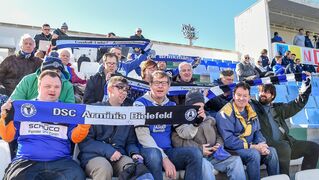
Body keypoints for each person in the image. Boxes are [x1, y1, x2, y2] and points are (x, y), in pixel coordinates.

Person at [0, 70, 90, 180]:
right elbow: (8, 137)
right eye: (47, 86)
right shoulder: (23, 108)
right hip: (26, 161)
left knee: (77, 176)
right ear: (39, 87)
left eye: (57, 87)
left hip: (61, 162)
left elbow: (75, 138)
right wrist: (5, 118)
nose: (52, 89)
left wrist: (84, 124)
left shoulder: (67, 110)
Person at [134, 71, 202, 180]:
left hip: (168, 151)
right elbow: (143, 137)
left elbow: (185, 133)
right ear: (150, 85)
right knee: (155, 155)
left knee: (195, 153)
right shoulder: (140, 104)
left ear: (169, 86)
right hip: (147, 151)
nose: (160, 86)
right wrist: (164, 159)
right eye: (156, 83)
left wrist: (195, 123)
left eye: (164, 83)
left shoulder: (171, 105)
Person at [78, 76, 143, 179]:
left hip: (119, 156)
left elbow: (130, 141)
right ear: (109, 89)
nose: (124, 91)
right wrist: (108, 150)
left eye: (126, 89)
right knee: (104, 168)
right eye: (120, 87)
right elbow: (84, 142)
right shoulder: (94, 110)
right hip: (94, 156)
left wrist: (134, 153)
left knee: (131, 166)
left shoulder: (128, 114)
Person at [172, 90, 246, 180]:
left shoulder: (209, 118)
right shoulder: (182, 119)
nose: (200, 109)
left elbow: (218, 134)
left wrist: (219, 145)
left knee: (235, 161)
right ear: (189, 106)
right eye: (196, 107)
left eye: (202, 106)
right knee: (205, 165)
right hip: (197, 157)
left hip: (214, 155)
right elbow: (177, 141)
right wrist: (200, 148)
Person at [251, 79, 319, 175]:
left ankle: (306, 177)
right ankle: (284, 177)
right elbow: (239, 99)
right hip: (267, 145)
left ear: (273, 96)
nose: (262, 94)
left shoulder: (278, 109)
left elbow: (296, 105)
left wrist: (304, 92)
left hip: (287, 143)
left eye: (266, 92)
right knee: (284, 147)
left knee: (314, 147)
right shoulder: (253, 107)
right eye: (261, 91)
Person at [216, 82, 279, 180]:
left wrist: (261, 144)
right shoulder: (225, 113)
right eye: (239, 95)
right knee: (253, 154)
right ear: (233, 95)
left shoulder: (250, 109)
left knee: (272, 152)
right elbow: (228, 141)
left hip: (250, 147)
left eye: (245, 96)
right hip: (232, 150)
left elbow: (257, 131)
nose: (241, 98)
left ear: (249, 97)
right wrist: (253, 146)